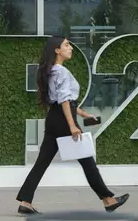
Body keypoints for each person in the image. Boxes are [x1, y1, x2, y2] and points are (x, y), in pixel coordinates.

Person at [16, 36, 130, 215]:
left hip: (54, 118)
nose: (71, 48)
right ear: (57, 50)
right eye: (67, 45)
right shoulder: (61, 71)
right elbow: (64, 101)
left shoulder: (50, 70)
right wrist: (72, 126)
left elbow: (63, 101)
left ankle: (25, 201)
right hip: (63, 120)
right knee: (87, 161)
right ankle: (108, 200)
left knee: (42, 162)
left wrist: (83, 114)